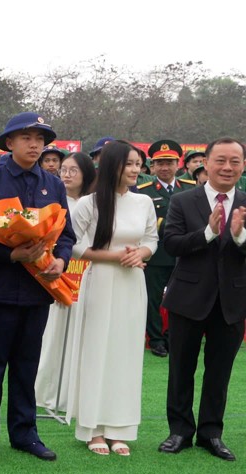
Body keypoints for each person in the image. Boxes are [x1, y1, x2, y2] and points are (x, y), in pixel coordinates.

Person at [0, 112, 75, 462]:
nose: (34, 144)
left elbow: (66, 234)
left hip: (38, 289)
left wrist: (60, 259)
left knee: (27, 365)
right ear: (9, 142)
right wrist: (11, 253)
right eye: (26, 137)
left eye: (40, 138)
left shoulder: (53, 184)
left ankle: (25, 433)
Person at [66, 141, 157, 456]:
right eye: (128, 164)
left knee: (125, 354)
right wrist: (113, 257)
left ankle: (120, 429)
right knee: (97, 352)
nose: (134, 170)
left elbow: (151, 238)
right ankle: (93, 429)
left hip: (133, 283)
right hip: (100, 281)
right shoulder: (89, 203)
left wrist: (140, 254)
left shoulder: (144, 201)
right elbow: (74, 245)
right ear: (112, 166)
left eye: (137, 164)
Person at [159, 137, 246, 462]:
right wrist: (208, 233)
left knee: (219, 372)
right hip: (188, 298)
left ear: (242, 166)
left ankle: (211, 433)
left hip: (232, 301)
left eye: (234, 161)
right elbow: (172, 243)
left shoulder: (245, 202)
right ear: (204, 163)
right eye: (220, 160)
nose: (227, 167)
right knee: (181, 368)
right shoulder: (183, 200)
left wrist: (239, 235)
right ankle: (179, 430)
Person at [34, 152, 96, 415]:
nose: (67, 174)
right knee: (53, 335)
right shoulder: (53, 202)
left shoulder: (95, 203)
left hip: (88, 275)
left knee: (82, 338)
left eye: (74, 170)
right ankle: (45, 395)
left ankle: (76, 396)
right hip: (55, 273)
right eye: (64, 169)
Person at [136, 140, 196, 357]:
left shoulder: (190, 188)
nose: (165, 167)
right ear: (152, 166)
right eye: (160, 163)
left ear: (178, 164)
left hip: (184, 254)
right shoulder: (143, 191)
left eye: (169, 162)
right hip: (156, 254)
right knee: (153, 299)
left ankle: (174, 336)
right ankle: (156, 339)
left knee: (181, 298)